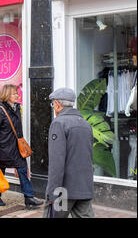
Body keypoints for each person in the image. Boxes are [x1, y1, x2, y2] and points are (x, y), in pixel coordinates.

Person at [43, 87, 95, 218]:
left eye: (53, 104)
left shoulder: (59, 123)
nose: (53, 107)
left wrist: (52, 193)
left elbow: (57, 163)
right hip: (84, 187)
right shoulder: (85, 124)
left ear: (58, 104)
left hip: (63, 191)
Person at [0, 84, 43, 209]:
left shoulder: (17, 108)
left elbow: (18, 130)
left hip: (17, 148)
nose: (17, 95)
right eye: (14, 93)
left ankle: (29, 198)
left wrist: (22, 145)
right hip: (4, 148)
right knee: (0, 173)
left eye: (17, 93)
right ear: (7, 95)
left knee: (23, 170)